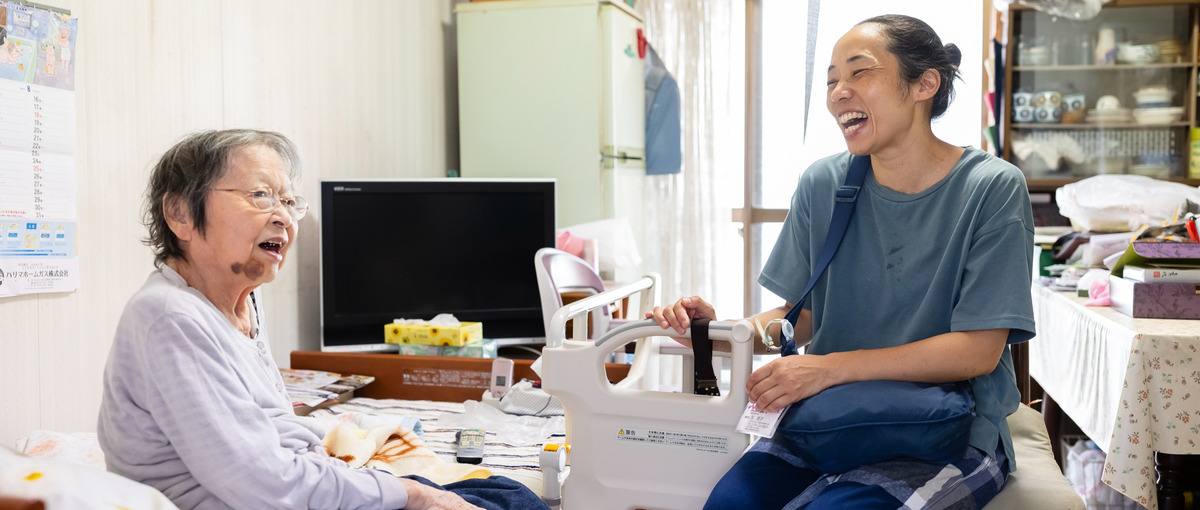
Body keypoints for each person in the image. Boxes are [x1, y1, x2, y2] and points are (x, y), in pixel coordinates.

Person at [649, 15, 1035, 510]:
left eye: (859, 73)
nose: (838, 93)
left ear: (924, 83)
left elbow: (978, 351)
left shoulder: (991, 188)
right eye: (831, 80)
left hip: (945, 431)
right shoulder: (824, 183)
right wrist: (722, 333)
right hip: (828, 422)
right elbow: (802, 318)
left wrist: (827, 369)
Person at [97, 129, 546, 510]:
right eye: (260, 195)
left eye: (290, 201)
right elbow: (260, 481)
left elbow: (271, 429)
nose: (283, 218)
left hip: (292, 487)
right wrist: (405, 492)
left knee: (505, 491)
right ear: (179, 214)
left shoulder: (241, 301)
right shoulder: (169, 317)